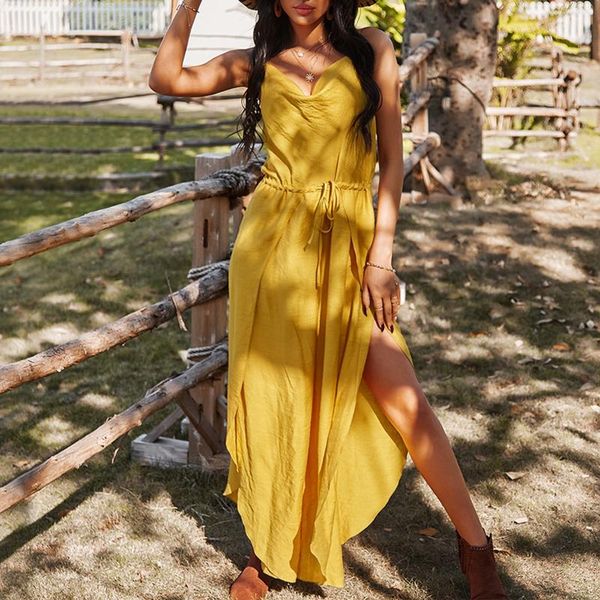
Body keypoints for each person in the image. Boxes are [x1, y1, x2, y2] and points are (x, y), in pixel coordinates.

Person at [149, 1, 509, 599]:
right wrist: (190, 2)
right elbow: (167, 79)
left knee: (402, 396)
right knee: (275, 398)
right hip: (272, 252)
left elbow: (391, 162)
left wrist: (381, 259)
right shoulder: (258, 60)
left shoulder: (372, 49)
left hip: (349, 246)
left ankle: (477, 550)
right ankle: (268, 550)